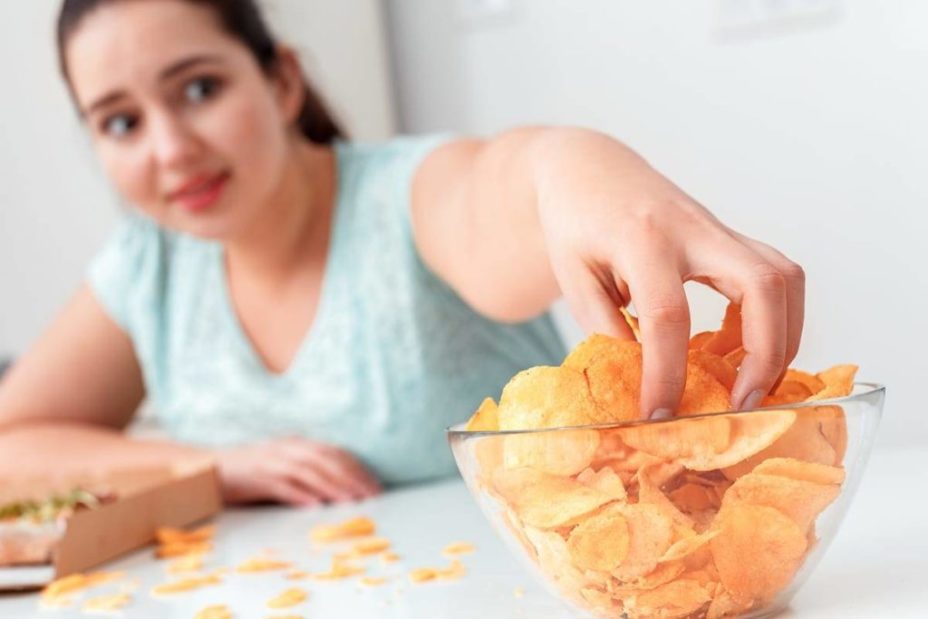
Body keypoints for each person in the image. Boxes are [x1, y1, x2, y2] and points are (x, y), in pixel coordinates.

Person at [0, 0, 804, 507]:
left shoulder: (405, 197)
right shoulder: (149, 266)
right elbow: (15, 445)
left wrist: (575, 168)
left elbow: (509, 188)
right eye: (119, 122)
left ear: (281, 83)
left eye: (200, 89)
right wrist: (215, 465)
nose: (170, 149)